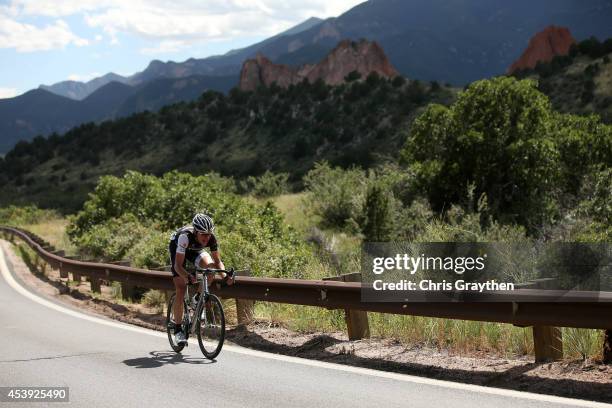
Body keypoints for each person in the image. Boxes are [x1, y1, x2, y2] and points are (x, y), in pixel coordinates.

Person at [168, 213, 227, 345]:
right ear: (195, 232)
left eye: (209, 234)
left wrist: (225, 275)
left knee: (211, 267)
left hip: (195, 250)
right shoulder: (184, 237)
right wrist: (186, 276)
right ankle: (178, 331)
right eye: (203, 234)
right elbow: (178, 266)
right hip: (178, 249)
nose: (207, 237)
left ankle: (197, 299)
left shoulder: (211, 238)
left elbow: (217, 261)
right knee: (181, 288)